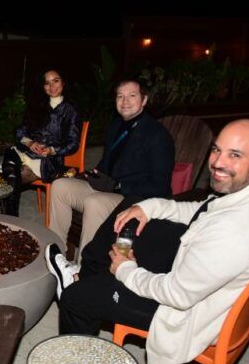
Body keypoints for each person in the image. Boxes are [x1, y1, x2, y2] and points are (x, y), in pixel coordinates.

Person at [47, 119, 249, 364]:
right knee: (129, 209)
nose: (218, 162)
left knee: (76, 299)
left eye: (235, 155)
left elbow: (177, 295)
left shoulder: (235, 231)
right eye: (217, 149)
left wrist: (126, 270)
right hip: (200, 277)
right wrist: (147, 208)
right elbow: (202, 210)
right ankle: (83, 276)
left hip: (182, 314)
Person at [48, 79, 174, 251]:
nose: (125, 101)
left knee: (94, 202)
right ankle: (56, 250)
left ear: (144, 100)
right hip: (108, 190)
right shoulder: (116, 125)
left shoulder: (157, 135)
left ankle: (85, 264)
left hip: (135, 198)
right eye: (120, 96)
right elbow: (108, 162)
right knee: (60, 185)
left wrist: (118, 186)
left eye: (132, 95)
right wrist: (91, 175)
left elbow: (161, 186)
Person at [1, 69, 80, 216]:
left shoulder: (70, 110)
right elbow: (20, 132)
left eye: (55, 81)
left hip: (48, 159)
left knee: (10, 178)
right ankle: (10, 217)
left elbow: (73, 143)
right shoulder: (37, 106)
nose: (52, 86)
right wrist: (30, 143)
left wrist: (51, 149)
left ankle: (10, 217)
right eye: (47, 83)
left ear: (63, 82)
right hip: (26, 151)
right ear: (43, 87)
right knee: (10, 167)